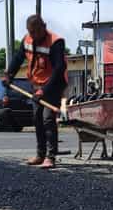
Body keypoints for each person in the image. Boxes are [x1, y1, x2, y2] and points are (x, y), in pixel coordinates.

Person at [4, 15, 67, 169]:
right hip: (36, 84)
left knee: (47, 119)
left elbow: (59, 68)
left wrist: (45, 90)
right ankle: (40, 154)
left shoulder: (56, 42)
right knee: (37, 118)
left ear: (44, 26)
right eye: (31, 32)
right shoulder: (27, 40)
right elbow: (19, 58)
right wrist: (9, 74)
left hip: (53, 84)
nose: (34, 35)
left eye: (37, 32)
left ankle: (50, 157)